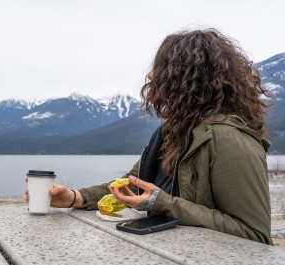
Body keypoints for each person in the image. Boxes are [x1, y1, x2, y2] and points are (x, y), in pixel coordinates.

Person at [25, 28, 273, 245]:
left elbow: (254, 234)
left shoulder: (230, 140)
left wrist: (163, 204)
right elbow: (130, 184)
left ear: (188, 77)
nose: (151, 76)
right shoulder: (171, 133)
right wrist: (74, 198)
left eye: (161, 67)